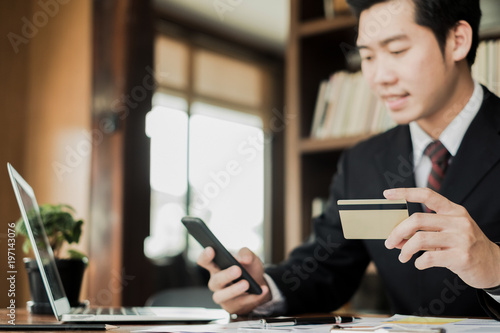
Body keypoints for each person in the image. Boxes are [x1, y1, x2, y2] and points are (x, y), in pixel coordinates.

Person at [197, 0, 500, 319]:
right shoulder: (362, 161)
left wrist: (495, 267)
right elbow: (326, 266)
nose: (379, 77)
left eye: (397, 50)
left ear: (457, 41)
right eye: (367, 56)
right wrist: (263, 289)